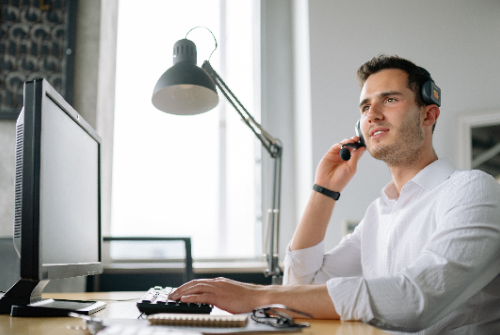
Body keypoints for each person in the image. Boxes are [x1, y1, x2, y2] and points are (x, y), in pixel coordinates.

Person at [169, 55, 500, 334]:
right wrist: (324, 191)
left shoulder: (471, 189)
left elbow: (414, 300)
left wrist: (256, 296)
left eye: (390, 99)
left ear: (429, 114)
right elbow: (300, 282)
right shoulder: (380, 214)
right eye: (365, 106)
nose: (373, 114)